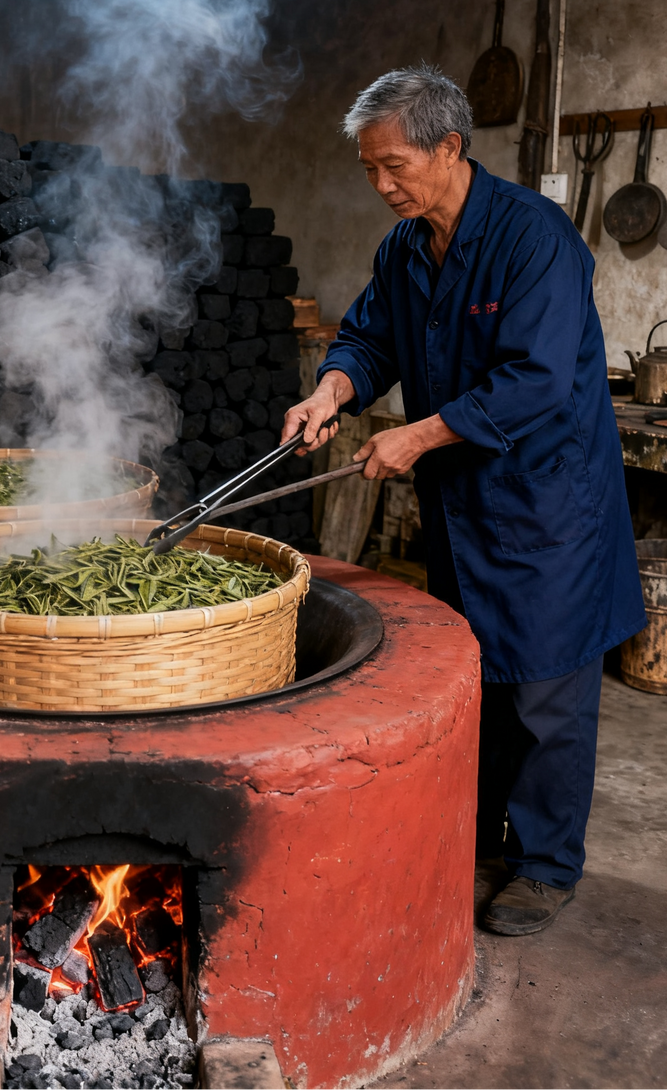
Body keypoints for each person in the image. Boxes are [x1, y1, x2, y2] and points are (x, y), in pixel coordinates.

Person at [282, 65, 646, 935]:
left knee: (546, 697)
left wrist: (419, 435)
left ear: (450, 146)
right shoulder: (405, 249)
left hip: (547, 509)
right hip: (464, 510)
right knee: (470, 682)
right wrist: (332, 390)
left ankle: (546, 866)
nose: (381, 185)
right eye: (369, 168)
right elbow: (369, 337)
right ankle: (475, 833)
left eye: (395, 166)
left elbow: (536, 379)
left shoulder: (535, 239)